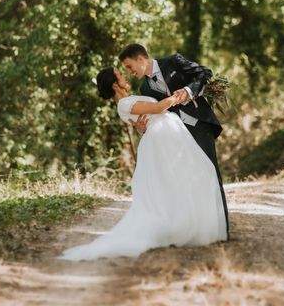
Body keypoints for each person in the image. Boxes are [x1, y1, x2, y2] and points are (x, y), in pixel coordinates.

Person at [58, 67, 227, 261]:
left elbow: (146, 120)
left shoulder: (130, 99)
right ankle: (178, 227)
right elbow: (156, 109)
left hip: (168, 135)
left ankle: (185, 224)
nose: (125, 75)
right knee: (181, 179)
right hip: (162, 140)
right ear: (115, 84)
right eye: (120, 74)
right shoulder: (123, 104)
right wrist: (182, 94)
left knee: (186, 178)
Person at [119, 43, 229, 240]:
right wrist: (143, 127)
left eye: (129, 66)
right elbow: (156, 112)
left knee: (211, 172)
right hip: (177, 136)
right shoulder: (144, 87)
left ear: (141, 59)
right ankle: (198, 229)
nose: (129, 71)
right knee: (190, 178)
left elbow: (205, 73)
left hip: (200, 125)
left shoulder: (173, 61)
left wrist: (188, 90)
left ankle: (222, 229)